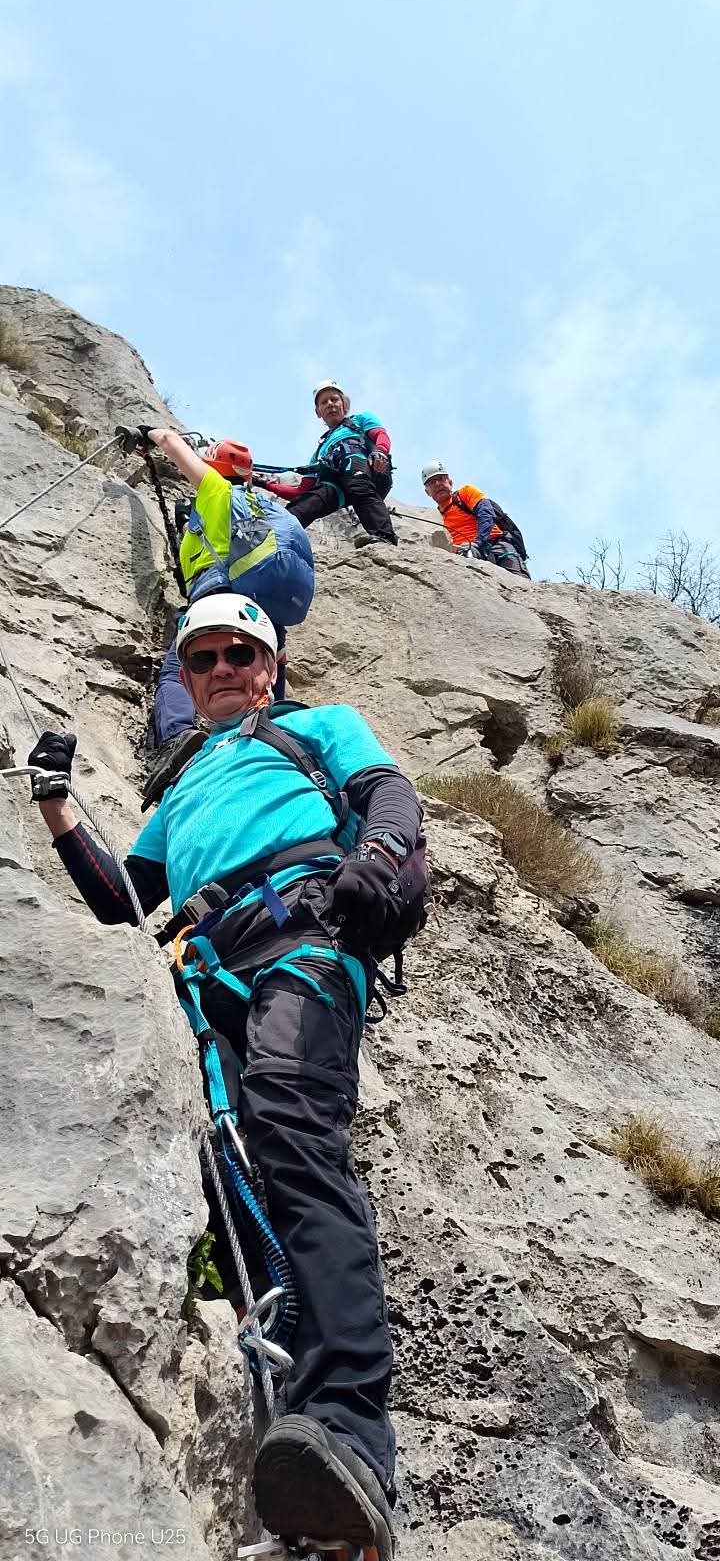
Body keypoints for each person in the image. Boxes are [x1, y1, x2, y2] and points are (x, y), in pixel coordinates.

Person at [26, 592, 422, 1560]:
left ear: (269, 665)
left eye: (239, 653)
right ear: (187, 678)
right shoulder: (180, 791)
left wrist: (374, 857)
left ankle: (352, 1428)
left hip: (304, 930)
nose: (222, 671)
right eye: (202, 659)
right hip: (207, 970)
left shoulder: (314, 728)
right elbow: (125, 899)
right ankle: (294, 1421)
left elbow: (389, 794)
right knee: (227, 1166)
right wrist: (57, 805)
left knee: (291, 1124)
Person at [116, 426, 315, 808]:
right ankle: (274, 751)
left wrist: (149, 433)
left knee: (180, 671)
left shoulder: (217, 491)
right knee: (265, 675)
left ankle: (177, 739)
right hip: (266, 615)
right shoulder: (260, 510)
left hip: (219, 598)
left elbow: (172, 443)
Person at [262, 382, 398, 548]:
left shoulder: (360, 419)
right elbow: (301, 492)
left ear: (344, 404)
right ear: (318, 412)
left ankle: (384, 536)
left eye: (334, 399)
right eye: (324, 402)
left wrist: (381, 452)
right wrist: (267, 485)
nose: (330, 404)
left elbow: (380, 434)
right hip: (338, 483)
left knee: (357, 481)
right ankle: (273, 541)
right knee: (306, 503)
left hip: (366, 468)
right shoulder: (319, 453)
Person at [421, 461, 530, 577]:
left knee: (519, 580)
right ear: (427, 492)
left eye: (440, 478)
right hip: (465, 558)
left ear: (450, 482)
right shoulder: (435, 519)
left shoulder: (465, 494)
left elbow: (486, 513)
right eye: (432, 482)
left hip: (496, 547)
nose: (437, 484)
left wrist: (478, 544)